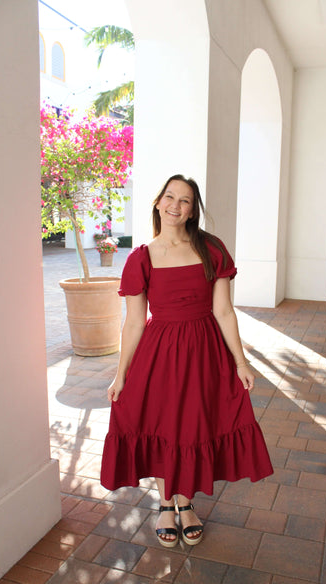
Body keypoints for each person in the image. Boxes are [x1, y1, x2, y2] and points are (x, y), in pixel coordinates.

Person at [100, 174, 273, 548]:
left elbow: (224, 311)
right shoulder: (141, 257)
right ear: (158, 202)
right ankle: (165, 503)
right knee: (164, 424)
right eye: (170, 197)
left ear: (193, 210)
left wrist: (241, 362)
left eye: (185, 201)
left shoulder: (211, 249)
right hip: (159, 354)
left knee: (194, 425)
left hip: (205, 351)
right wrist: (121, 374)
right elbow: (133, 322)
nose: (175, 206)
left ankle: (186, 501)